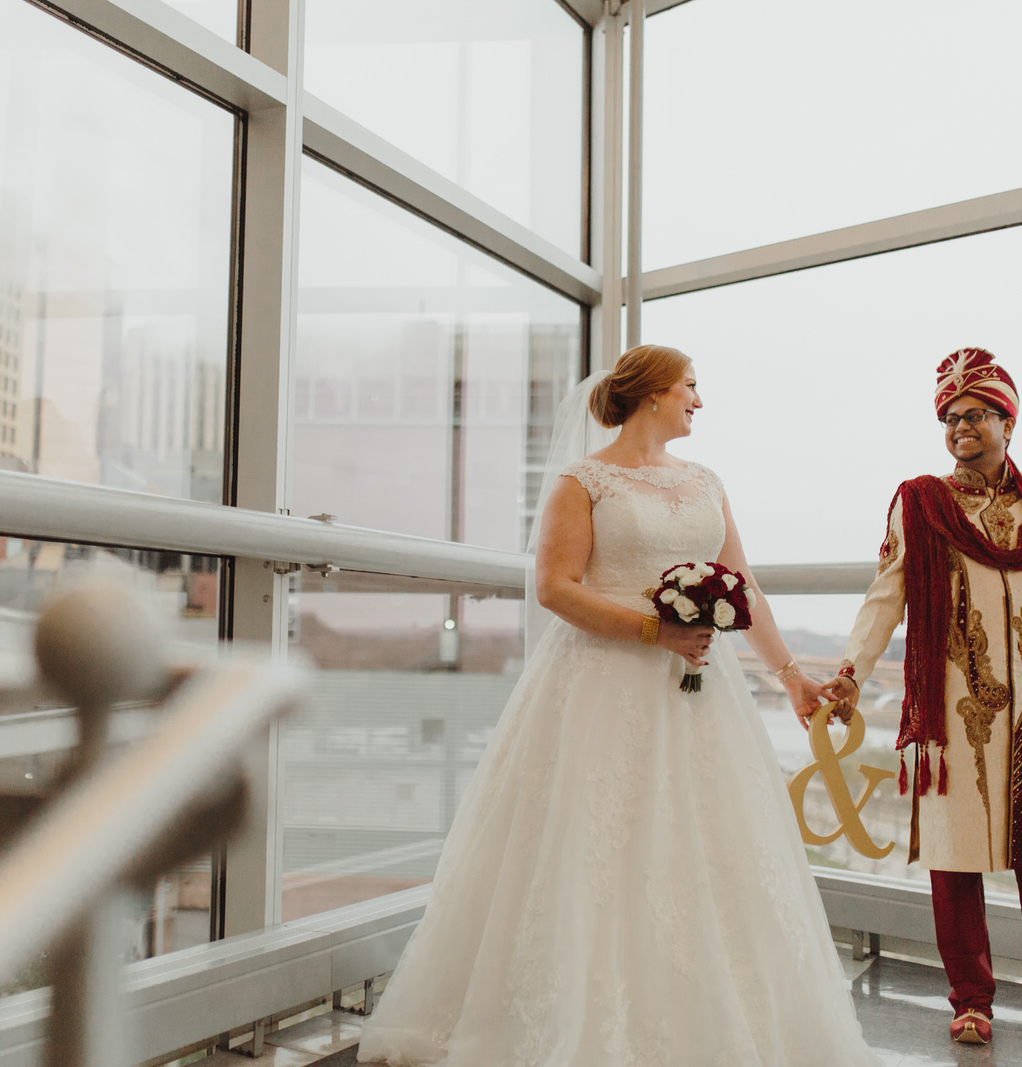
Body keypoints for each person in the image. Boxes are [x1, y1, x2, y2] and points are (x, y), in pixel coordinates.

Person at [357, 345, 880, 1067]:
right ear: (654, 393)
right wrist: (653, 630)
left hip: (699, 695)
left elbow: (743, 582)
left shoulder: (706, 482)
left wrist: (790, 676)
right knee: (596, 845)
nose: (700, 400)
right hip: (602, 683)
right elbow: (556, 586)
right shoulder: (585, 480)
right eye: (692, 386)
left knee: (710, 849)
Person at [819, 348, 1022, 1048]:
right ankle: (970, 1001)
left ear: (1008, 420)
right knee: (956, 855)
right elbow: (887, 595)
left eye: (973, 415)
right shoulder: (923, 501)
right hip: (955, 710)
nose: (959, 427)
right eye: (949, 418)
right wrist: (851, 671)